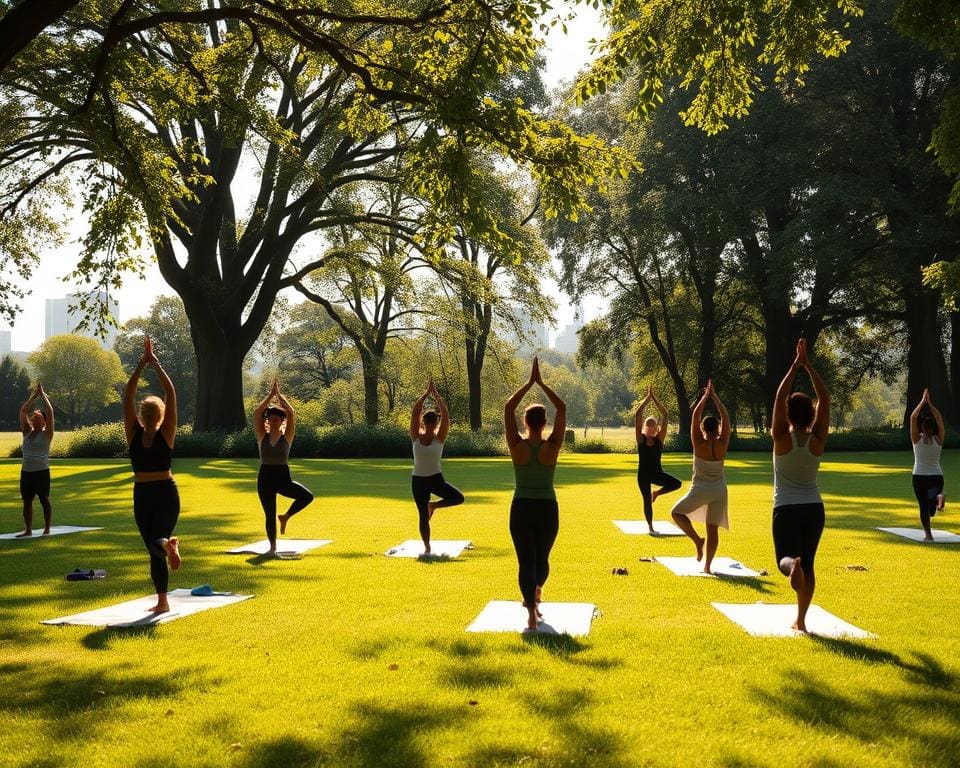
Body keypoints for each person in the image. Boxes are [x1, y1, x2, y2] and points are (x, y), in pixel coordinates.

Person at [771, 338, 829, 633]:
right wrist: (809, 367)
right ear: (810, 415)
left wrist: (795, 365)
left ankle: (790, 565)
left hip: (786, 508)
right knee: (810, 566)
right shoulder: (817, 440)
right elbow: (826, 399)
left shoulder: (781, 439)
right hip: (814, 508)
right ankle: (802, 621)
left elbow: (780, 398)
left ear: (789, 416)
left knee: (785, 557)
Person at [504, 357, 566, 631]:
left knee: (525, 561)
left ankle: (530, 612)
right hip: (547, 509)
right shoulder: (551, 446)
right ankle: (536, 594)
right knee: (541, 560)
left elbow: (507, 407)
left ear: (524, 421)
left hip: (521, 508)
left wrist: (528, 384)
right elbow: (562, 407)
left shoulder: (516, 444)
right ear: (545, 422)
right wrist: (542, 383)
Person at [123, 336, 180, 614]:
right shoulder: (166, 432)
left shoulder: (133, 433)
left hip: (142, 493)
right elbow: (171, 393)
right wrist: (156, 364)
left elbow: (128, 395)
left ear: (142, 415)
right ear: (161, 415)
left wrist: (141, 365)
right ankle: (166, 545)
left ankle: (162, 601)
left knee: (152, 546)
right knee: (159, 538)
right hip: (167, 491)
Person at [670, 379, 730, 573]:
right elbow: (726, 417)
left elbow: (695, 416)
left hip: (700, 489)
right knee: (713, 530)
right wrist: (716, 398)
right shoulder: (722, 445)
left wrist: (705, 398)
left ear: (703, 429)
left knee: (676, 513)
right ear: (718, 428)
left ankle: (697, 540)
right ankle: (708, 567)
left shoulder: (698, 443)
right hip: (719, 491)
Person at [254, 379, 314, 554]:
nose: (272, 419)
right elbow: (258, 412)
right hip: (265, 477)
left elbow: (292, 412)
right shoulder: (261, 436)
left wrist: (280, 397)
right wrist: (270, 396)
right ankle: (272, 549)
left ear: (281, 421)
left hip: (282, 477)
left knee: (307, 496)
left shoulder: (287, 437)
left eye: (276, 417)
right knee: (269, 514)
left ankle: (286, 516)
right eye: (270, 417)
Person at [409, 377, 464, 555]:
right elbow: (415, 412)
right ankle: (427, 547)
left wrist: (437, 397)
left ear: (436, 424)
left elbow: (446, 415)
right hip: (418, 481)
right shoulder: (415, 437)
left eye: (434, 424)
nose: (432, 426)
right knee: (423, 516)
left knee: (458, 498)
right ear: (424, 422)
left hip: (435, 479)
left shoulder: (439, 438)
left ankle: (434, 506)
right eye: (429, 423)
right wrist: (426, 394)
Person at [635, 386, 682, 533]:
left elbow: (666, 416)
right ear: (644, 427)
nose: (650, 429)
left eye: (653, 426)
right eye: (648, 426)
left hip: (657, 473)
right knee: (646, 501)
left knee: (677, 484)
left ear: (656, 428)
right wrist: (646, 399)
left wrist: (654, 399)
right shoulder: (641, 440)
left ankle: (657, 493)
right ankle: (650, 527)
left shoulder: (659, 439)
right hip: (643, 475)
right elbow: (638, 415)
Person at [17, 383, 55, 537]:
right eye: (34, 417)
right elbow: (23, 411)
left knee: (44, 499)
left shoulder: (47, 434)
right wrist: (34, 395)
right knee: (26, 501)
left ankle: (47, 528)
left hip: (41, 472)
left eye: (38, 418)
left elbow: (50, 412)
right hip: (26, 473)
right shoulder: (27, 432)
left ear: (44, 422)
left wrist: (43, 395)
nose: (35, 419)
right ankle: (28, 530)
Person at [910, 389, 945, 541]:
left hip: (919, 477)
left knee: (924, 507)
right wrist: (930, 403)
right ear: (933, 428)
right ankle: (938, 498)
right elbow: (938, 417)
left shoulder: (916, 439)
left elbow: (913, 417)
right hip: (936, 476)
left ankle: (928, 535)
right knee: (931, 508)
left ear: (922, 428)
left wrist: (923, 402)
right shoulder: (938, 439)